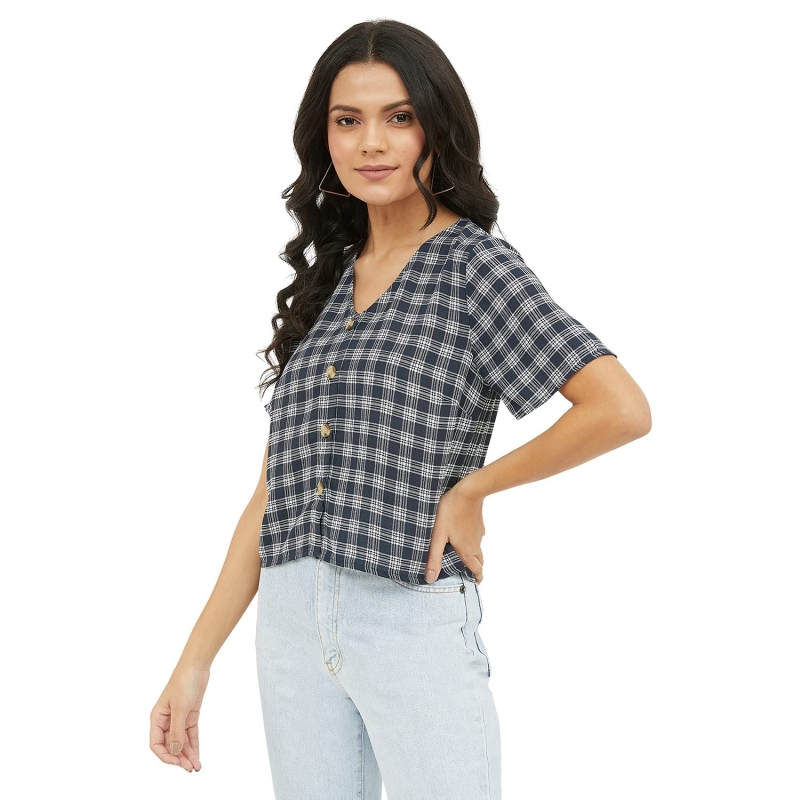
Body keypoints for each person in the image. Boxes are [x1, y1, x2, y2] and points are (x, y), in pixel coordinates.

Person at [149, 18, 651, 799]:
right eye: (348, 120)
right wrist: (194, 660)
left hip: (407, 616)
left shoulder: (473, 266)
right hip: (290, 626)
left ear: (435, 129)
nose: (372, 143)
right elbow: (272, 493)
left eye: (399, 116)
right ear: (324, 138)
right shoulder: (330, 278)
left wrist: (474, 488)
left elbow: (618, 407)